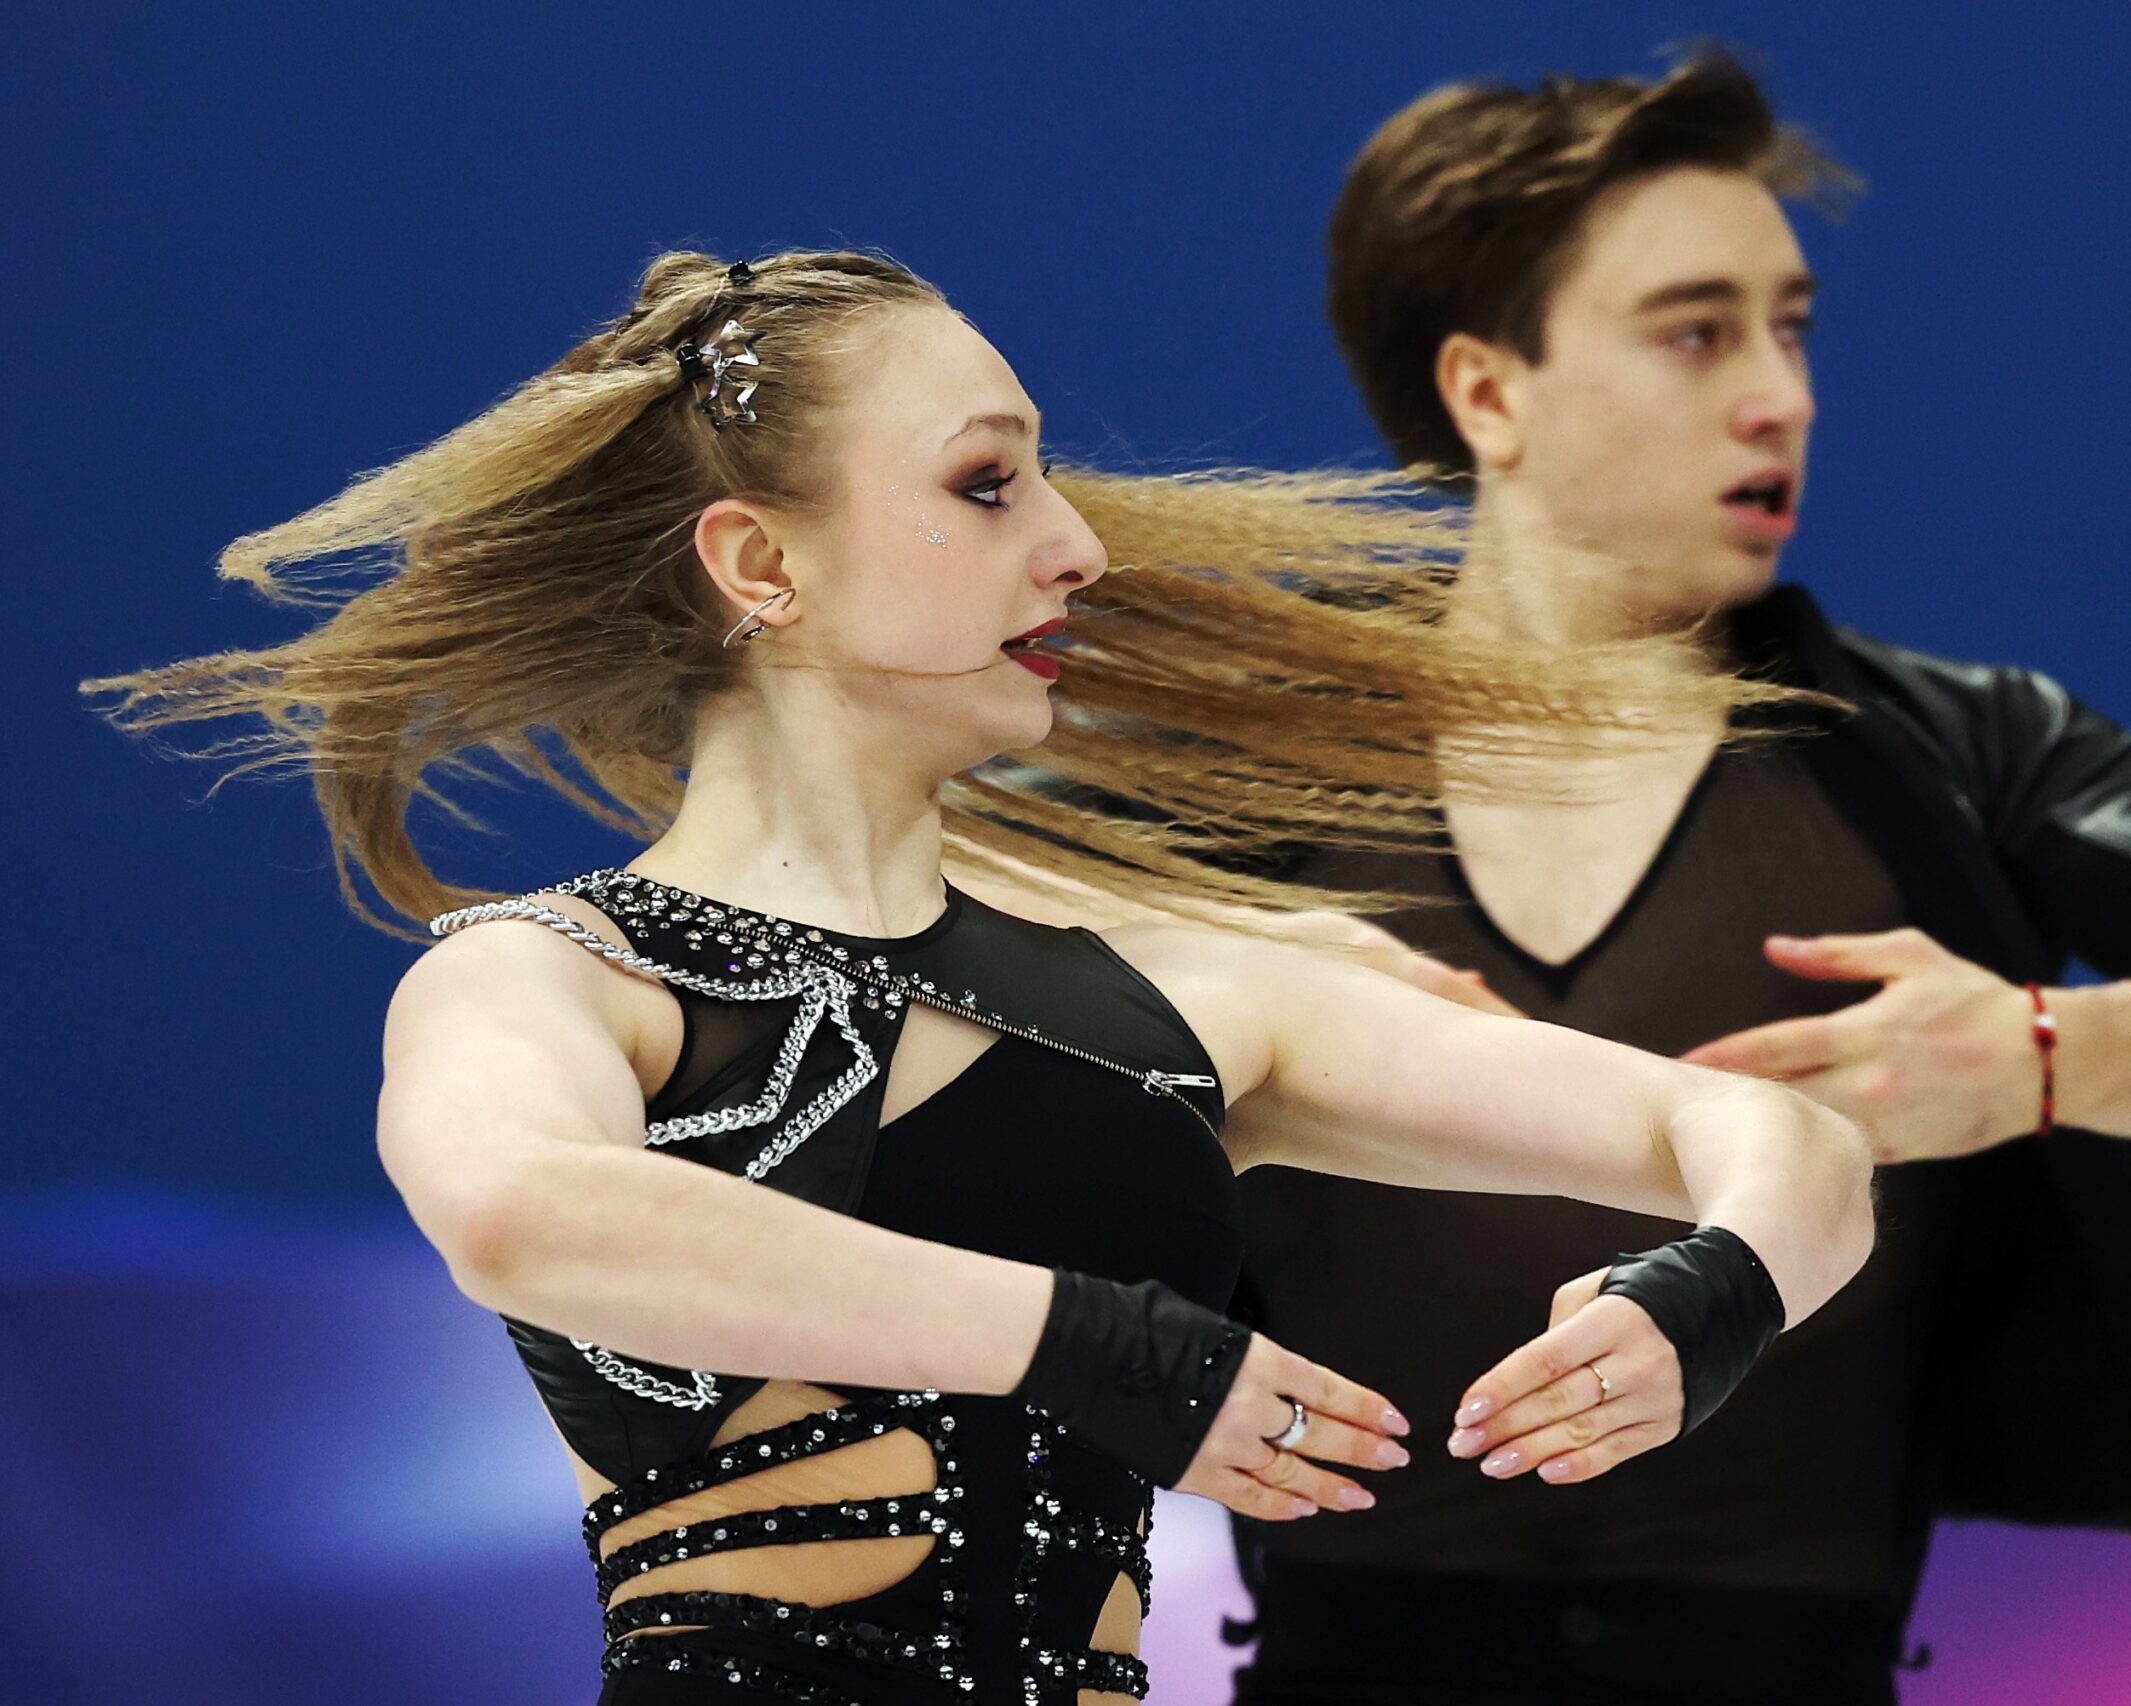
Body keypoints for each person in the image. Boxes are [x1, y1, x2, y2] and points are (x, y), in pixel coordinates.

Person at [86, 249, 1875, 1706]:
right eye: (987, 481)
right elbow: (523, 1215)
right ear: (760, 563)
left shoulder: (1191, 993)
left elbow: (1778, 1142)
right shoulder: (551, 975)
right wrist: (1093, 1344)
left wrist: (1705, 1300)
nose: (1077, 542)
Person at [1220, 50, 2131, 1706]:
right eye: (1697, 331)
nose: (1782, 394)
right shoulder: (1226, 784)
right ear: (1488, 391)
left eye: (1791, 326)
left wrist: (2050, 1052)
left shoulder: (1951, 751)